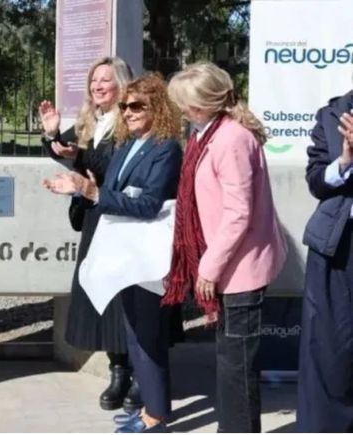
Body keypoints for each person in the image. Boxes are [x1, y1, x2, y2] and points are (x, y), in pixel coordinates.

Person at [43, 73, 182, 433]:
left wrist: (95, 194)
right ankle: (153, 406)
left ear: (158, 107)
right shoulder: (127, 144)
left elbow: (150, 202)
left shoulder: (166, 147)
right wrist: (78, 188)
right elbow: (110, 186)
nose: (129, 111)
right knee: (135, 332)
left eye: (137, 105)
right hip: (125, 251)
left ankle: (155, 415)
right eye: (126, 106)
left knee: (148, 336)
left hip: (147, 256)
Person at [165, 62, 286, 433]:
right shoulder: (208, 134)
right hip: (229, 266)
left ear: (204, 103)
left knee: (237, 367)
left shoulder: (231, 138)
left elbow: (238, 214)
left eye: (185, 103)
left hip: (240, 269)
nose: (181, 110)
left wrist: (208, 268)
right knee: (231, 361)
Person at [37, 57, 141, 411]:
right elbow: (62, 153)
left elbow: (113, 168)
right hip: (97, 221)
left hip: (127, 223)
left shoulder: (131, 122)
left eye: (105, 80)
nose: (97, 86)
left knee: (130, 299)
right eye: (94, 80)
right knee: (104, 298)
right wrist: (52, 134)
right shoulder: (89, 121)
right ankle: (119, 371)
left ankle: (141, 372)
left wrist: (79, 156)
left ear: (122, 85)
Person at [297, 79, 353, 432]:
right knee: (329, 352)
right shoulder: (331, 114)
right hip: (337, 247)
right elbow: (317, 180)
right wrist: (346, 160)